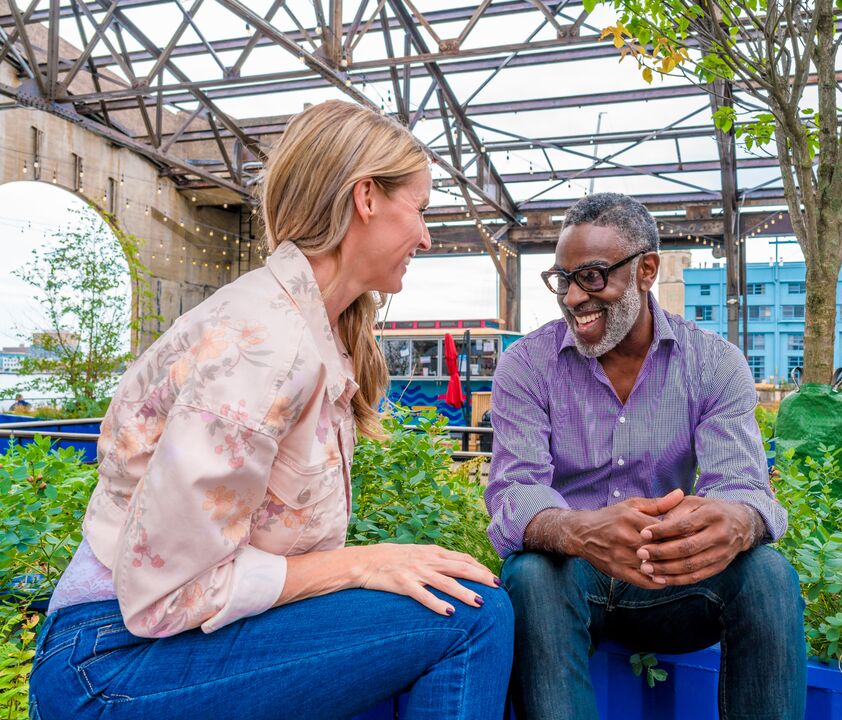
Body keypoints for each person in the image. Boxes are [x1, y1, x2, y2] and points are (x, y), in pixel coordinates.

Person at [29, 100, 513, 720]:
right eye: (419, 208)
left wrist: (365, 566)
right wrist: (360, 563)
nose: (424, 235)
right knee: (475, 615)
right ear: (366, 197)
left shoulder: (310, 332)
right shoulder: (263, 346)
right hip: (110, 665)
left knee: (453, 596)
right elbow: (164, 598)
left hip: (149, 649)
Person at [485, 193, 806, 720]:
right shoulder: (526, 365)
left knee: (768, 575)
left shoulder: (713, 363)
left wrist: (737, 520)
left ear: (646, 270)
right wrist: (581, 531)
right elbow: (513, 492)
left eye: (590, 276)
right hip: (572, 579)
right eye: (561, 279)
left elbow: (746, 487)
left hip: (673, 581)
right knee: (532, 575)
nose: (571, 297)